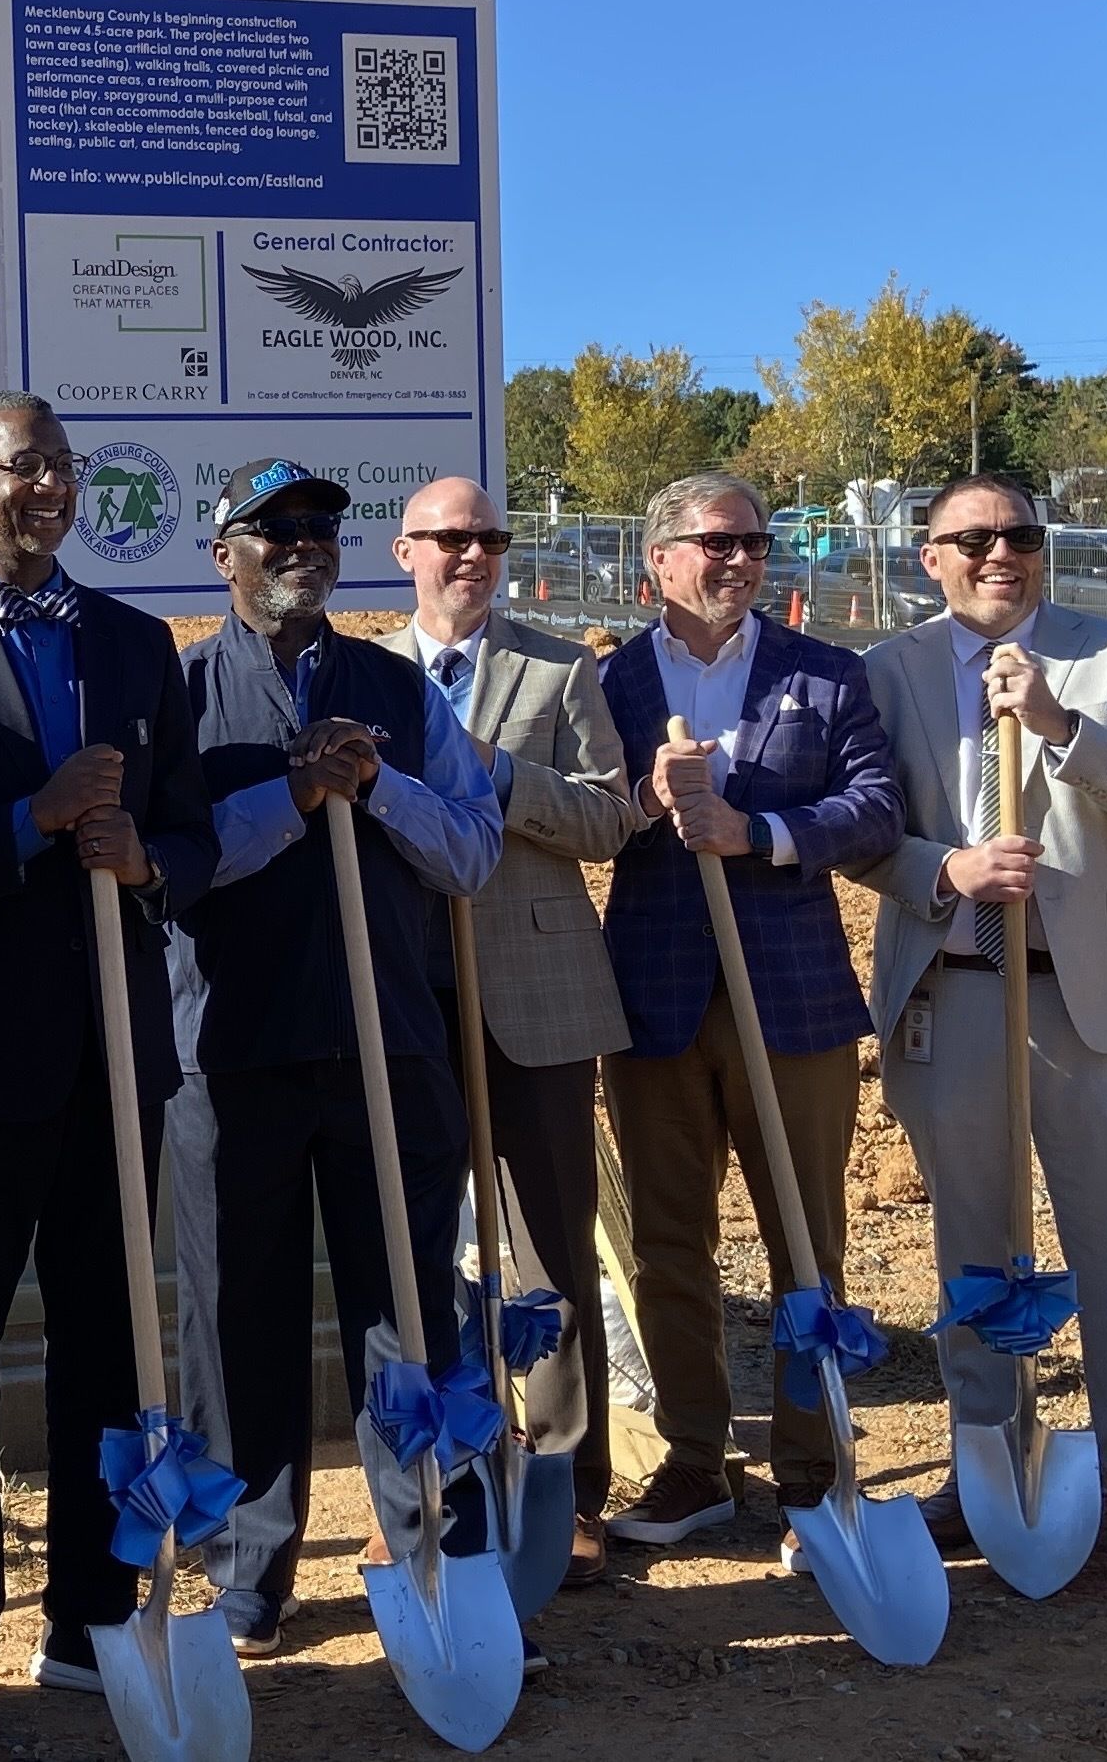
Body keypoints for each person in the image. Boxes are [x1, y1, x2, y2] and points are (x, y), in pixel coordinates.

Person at [0, 395, 219, 1739]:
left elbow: (186, 838)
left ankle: (89, 1606)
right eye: (30, 465)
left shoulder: (135, 647)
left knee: (108, 1342)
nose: (55, 485)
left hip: (114, 1057)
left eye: (66, 464)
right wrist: (35, 816)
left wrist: (144, 860)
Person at [838, 475, 1107, 1591]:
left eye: (1020, 536)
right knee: (973, 1250)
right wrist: (943, 869)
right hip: (953, 987)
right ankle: (989, 1464)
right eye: (974, 539)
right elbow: (865, 833)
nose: (1000, 554)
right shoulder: (888, 672)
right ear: (931, 558)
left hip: (1096, 1004)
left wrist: (1059, 726)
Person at [168, 458, 501, 1644]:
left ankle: (434, 1534)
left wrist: (381, 788)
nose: (304, 542)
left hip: (387, 1048)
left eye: (321, 525)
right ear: (227, 557)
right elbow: (172, 866)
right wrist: (293, 801)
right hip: (231, 1051)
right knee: (236, 1315)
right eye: (276, 528)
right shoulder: (180, 697)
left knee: (407, 1306)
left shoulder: (400, 695)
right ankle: (247, 1557)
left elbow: (472, 853)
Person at [592, 471, 900, 1548]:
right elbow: (579, 817)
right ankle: (694, 1460)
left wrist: (755, 834)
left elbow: (871, 810)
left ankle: (814, 1464)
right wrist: (643, 802)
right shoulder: (610, 685)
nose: (737, 562)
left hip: (794, 996)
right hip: (656, 997)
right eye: (714, 545)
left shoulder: (826, 674)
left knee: (807, 1242)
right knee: (670, 1244)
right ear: (657, 562)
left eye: (752, 546)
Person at [383, 475, 644, 1588]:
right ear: (406, 551)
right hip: (408, 992)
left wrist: (500, 774)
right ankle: (438, 1481)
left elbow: (611, 818)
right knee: (417, 1252)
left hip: (536, 990)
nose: (470, 554)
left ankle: (566, 1489)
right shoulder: (362, 678)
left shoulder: (558, 664)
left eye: (487, 537)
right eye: (449, 537)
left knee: (550, 1249)